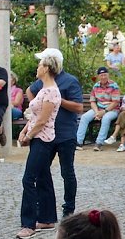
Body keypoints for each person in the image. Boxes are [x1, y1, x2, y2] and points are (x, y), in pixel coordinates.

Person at [26, 48, 85, 218]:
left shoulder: (70, 81)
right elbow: (30, 90)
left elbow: (79, 107)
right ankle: (45, 211)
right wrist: (38, 106)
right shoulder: (43, 82)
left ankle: (69, 208)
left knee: (67, 172)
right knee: (42, 171)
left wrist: (56, 101)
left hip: (65, 133)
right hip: (46, 134)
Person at [16, 51, 64, 239]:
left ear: (46, 68)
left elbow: (43, 120)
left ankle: (29, 224)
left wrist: (28, 135)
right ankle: (47, 217)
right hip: (37, 136)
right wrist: (25, 130)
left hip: (43, 139)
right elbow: (35, 116)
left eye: (40, 65)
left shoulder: (52, 92)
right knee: (43, 177)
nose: (37, 68)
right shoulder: (44, 90)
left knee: (29, 179)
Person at [76, 67, 120, 151]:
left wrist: (104, 112)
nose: (103, 77)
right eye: (101, 75)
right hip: (98, 108)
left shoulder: (114, 86)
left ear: (108, 75)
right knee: (84, 117)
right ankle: (78, 142)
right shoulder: (96, 86)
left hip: (112, 110)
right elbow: (92, 101)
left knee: (106, 118)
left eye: (105, 75)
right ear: (98, 76)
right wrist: (97, 112)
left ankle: (99, 143)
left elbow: (115, 102)